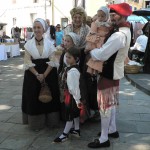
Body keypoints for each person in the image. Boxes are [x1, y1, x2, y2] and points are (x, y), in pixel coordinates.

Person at [87, 3, 132, 148]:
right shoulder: (125, 30)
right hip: (115, 73)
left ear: (123, 16)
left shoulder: (119, 35)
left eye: (114, 15)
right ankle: (112, 129)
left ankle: (104, 138)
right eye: (111, 15)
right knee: (110, 104)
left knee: (104, 106)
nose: (111, 18)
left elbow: (102, 54)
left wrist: (90, 52)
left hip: (109, 73)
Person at [22, 18, 60, 131]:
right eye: (34, 27)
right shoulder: (28, 44)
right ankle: (36, 124)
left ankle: (51, 122)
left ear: (44, 29)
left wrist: (44, 75)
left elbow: (53, 61)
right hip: (33, 74)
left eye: (39, 27)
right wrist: (37, 74)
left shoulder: (50, 44)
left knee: (50, 96)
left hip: (48, 73)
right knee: (33, 97)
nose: (36, 30)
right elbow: (27, 61)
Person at [54, 47, 82, 143]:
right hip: (71, 95)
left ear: (76, 58)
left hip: (71, 96)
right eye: (66, 56)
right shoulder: (71, 68)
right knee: (75, 114)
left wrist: (77, 100)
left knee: (69, 115)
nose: (66, 59)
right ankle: (76, 130)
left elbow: (74, 88)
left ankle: (64, 135)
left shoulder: (73, 72)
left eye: (69, 57)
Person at [85, 6, 111, 75]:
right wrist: (98, 34)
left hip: (106, 40)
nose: (100, 18)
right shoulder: (96, 23)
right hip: (98, 40)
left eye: (102, 16)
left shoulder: (109, 24)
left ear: (107, 16)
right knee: (98, 54)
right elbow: (92, 32)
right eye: (99, 16)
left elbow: (109, 33)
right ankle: (95, 69)